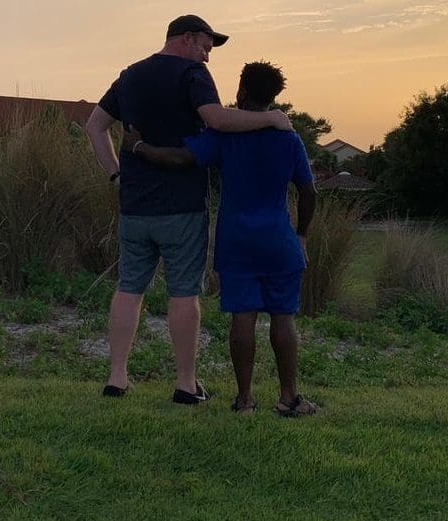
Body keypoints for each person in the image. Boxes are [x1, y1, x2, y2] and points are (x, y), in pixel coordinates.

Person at [85, 15, 292, 405]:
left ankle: (117, 377)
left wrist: (115, 174)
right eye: (206, 48)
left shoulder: (129, 75)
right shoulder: (192, 74)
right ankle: (185, 384)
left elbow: (94, 126)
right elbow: (216, 119)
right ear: (187, 38)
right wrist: (270, 119)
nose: (207, 58)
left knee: (129, 287)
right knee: (183, 293)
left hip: (134, 206)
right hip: (181, 205)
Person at [122, 61, 319, 417]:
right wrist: (302, 234)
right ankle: (289, 397)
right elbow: (308, 191)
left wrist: (139, 147)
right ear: (273, 96)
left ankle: (244, 400)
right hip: (279, 241)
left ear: (242, 92)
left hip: (237, 241)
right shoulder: (289, 138)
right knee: (283, 318)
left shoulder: (226, 137)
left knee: (242, 319)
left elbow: (180, 158)